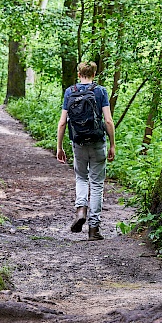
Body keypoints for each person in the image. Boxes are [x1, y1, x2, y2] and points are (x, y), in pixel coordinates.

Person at [56, 61, 115, 241]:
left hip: (79, 143)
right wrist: (112, 144)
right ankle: (94, 229)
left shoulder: (69, 92)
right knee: (96, 184)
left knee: (81, 178)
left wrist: (59, 147)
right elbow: (108, 121)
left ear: (78, 73)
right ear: (94, 74)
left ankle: (81, 210)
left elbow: (63, 122)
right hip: (98, 142)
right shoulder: (101, 91)